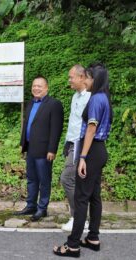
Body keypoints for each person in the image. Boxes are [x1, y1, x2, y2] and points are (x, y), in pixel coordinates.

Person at [53, 63, 113, 257]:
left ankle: (72, 245)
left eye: (87, 77)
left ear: (94, 79)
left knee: (81, 198)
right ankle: (93, 238)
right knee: (94, 196)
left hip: (91, 150)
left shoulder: (95, 99)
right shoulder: (105, 97)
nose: (85, 80)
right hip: (99, 149)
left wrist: (83, 157)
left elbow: (91, 129)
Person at [16, 75, 64, 221]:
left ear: (46, 88)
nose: (36, 88)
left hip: (44, 150)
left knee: (44, 180)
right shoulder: (30, 103)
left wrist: (52, 149)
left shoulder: (54, 104)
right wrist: (23, 144)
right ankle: (31, 205)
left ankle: (42, 208)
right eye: (34, 86)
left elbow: (56, 129)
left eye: (39, 86)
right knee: (31, 179)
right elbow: (27, 124)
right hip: (31, 148)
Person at [60, 65, 91, 232]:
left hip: (81, 145)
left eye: (71, 77)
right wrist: (67, 143)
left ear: (81, 77)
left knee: (67, 179)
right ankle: (80, 218)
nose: (69, 80)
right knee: (75, 181)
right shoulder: (75, 97)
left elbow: (90, 127)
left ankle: (78, 217)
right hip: (72, 143)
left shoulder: (90, 98)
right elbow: (74, 122)